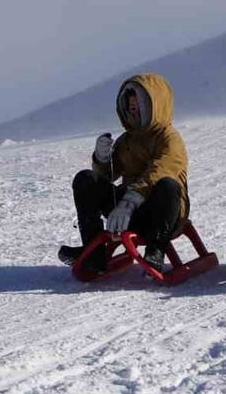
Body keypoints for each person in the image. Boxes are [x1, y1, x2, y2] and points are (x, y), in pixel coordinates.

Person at [58, 74, 189, 273]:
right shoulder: (126, 141)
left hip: (162, 215)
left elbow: (160, 171)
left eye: (139, 106)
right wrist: (102, 159)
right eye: (130, 107)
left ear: (155, 106)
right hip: (127, 214)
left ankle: (156, 250)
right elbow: (108, 175)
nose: (133, 111)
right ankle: (93, 253)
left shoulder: (169, 139)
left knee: (167, 185)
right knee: (86, 179)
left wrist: (131, 200)